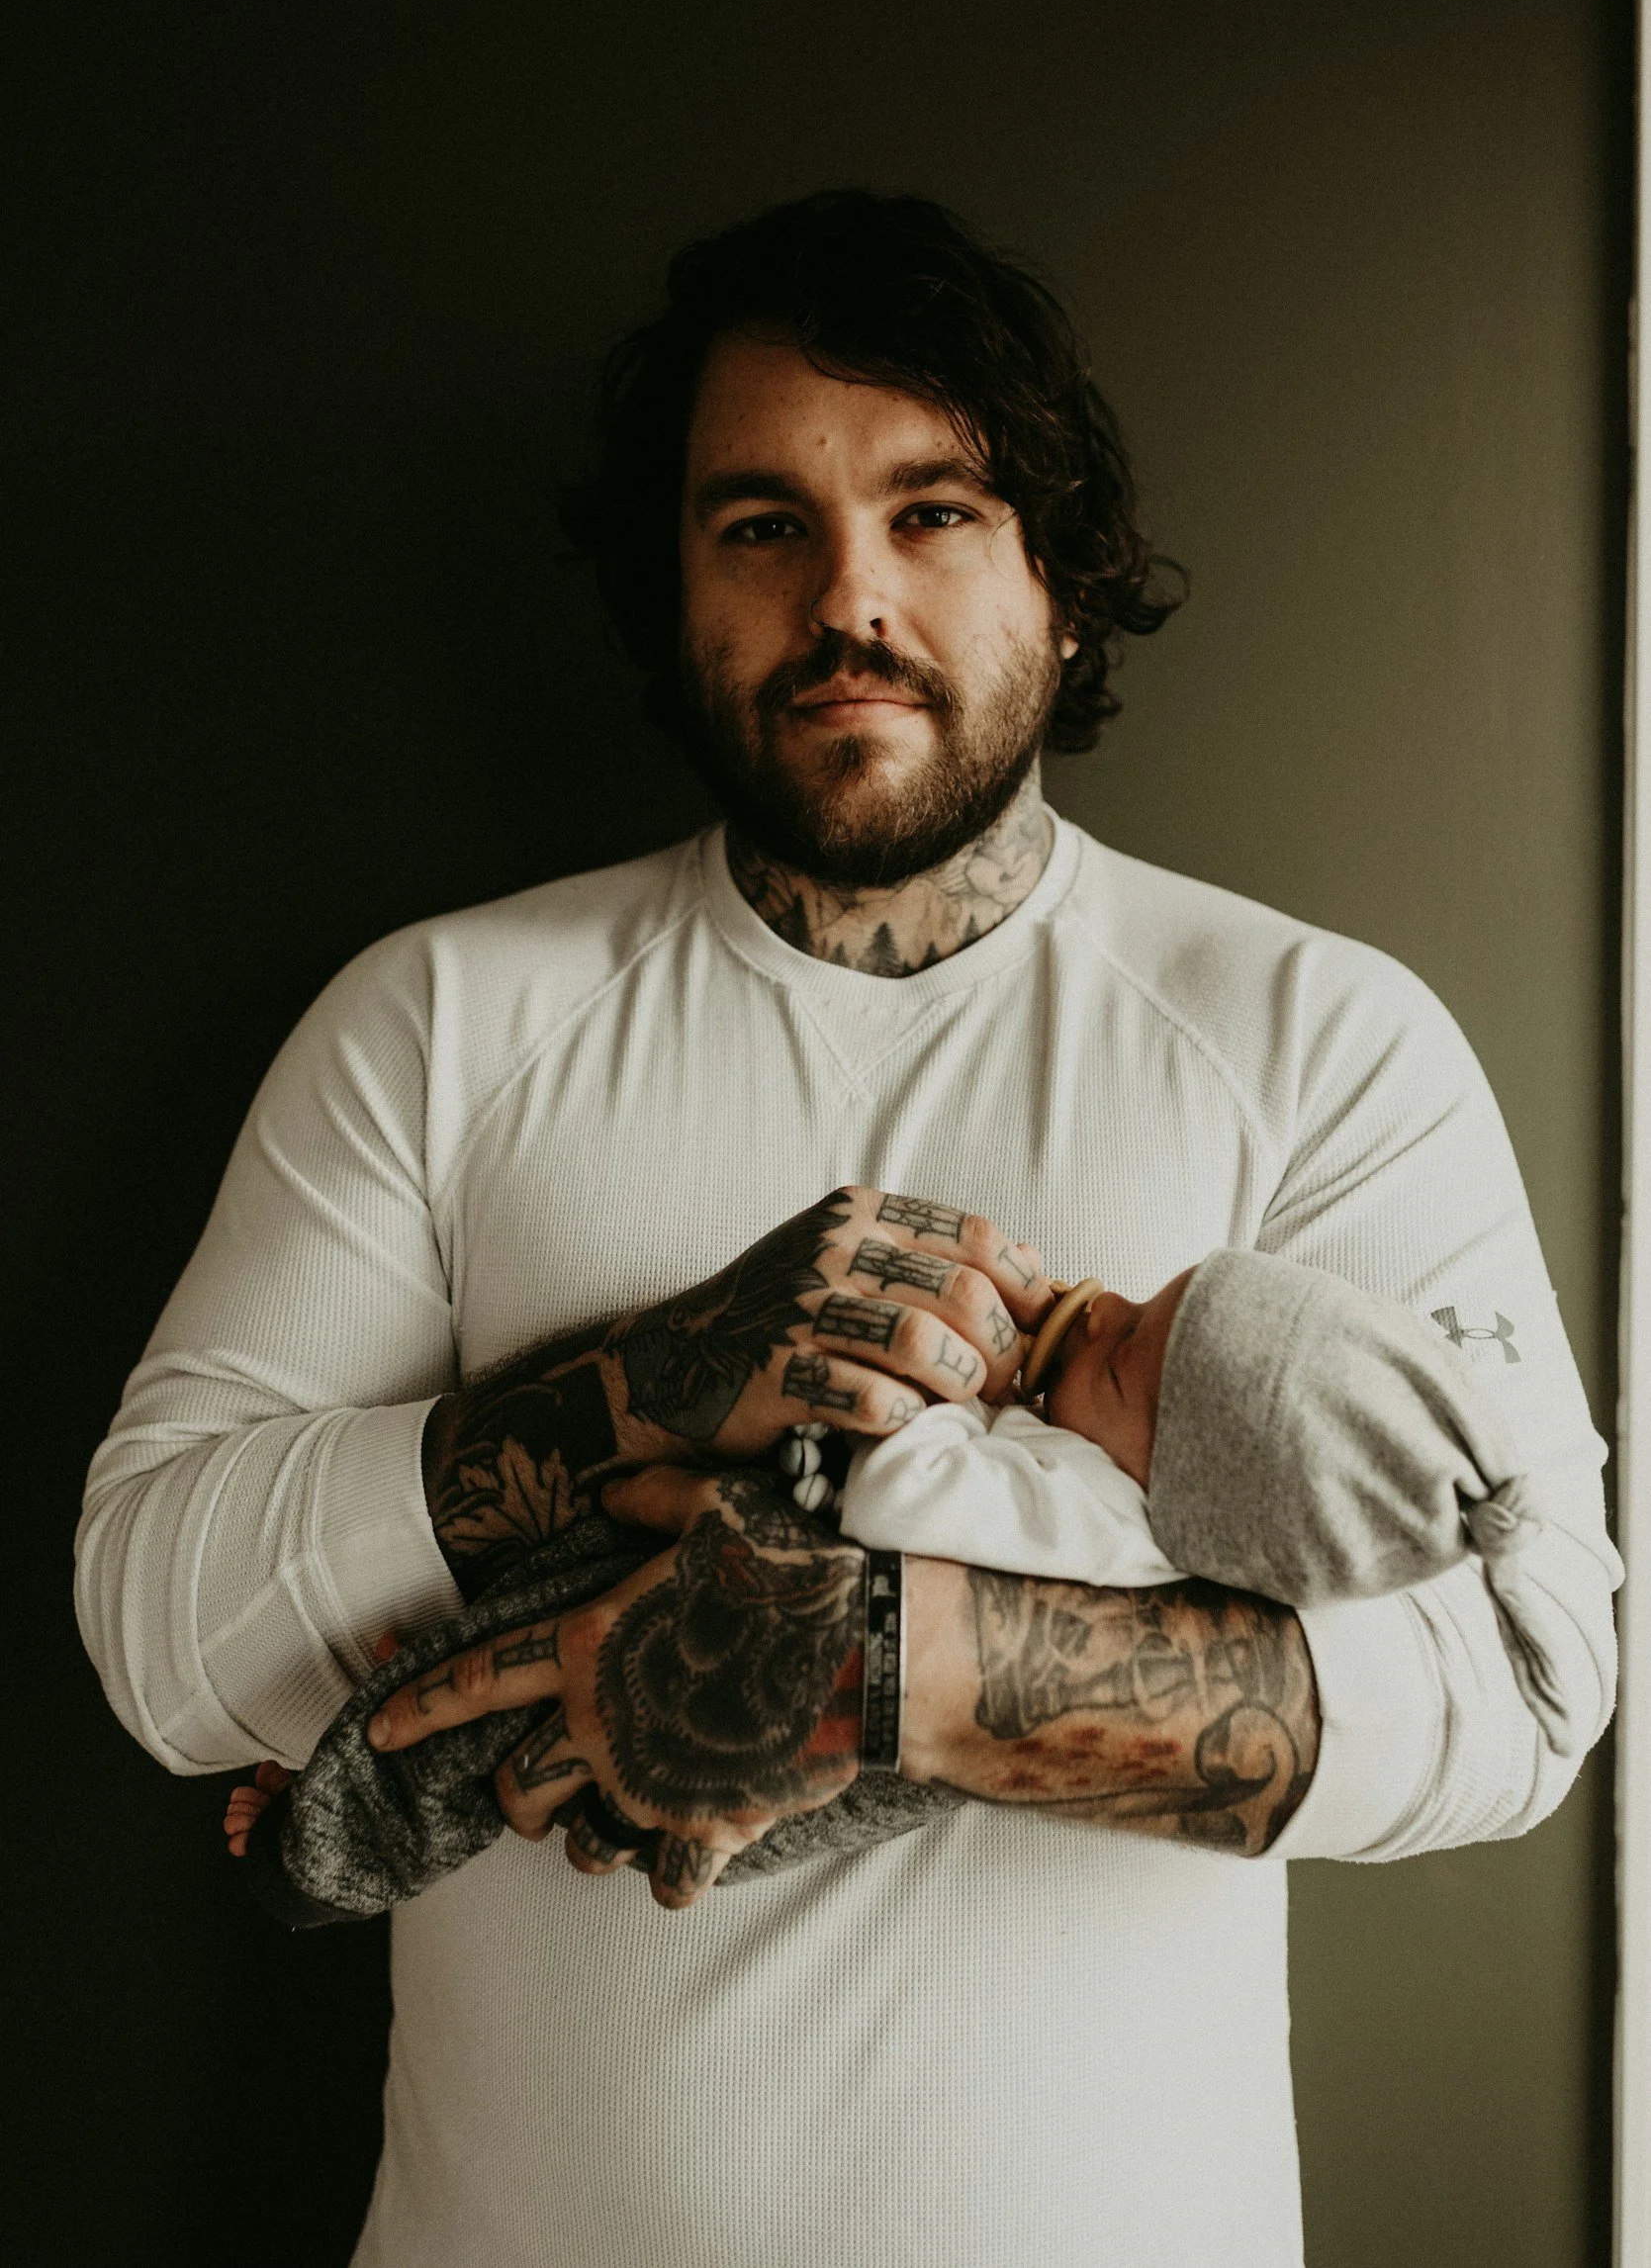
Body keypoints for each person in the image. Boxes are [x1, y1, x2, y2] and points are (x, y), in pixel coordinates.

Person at [77, 190, 1620, 2268]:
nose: (850, 597)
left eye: (936, 511)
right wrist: (636, 1386)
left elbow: (1525, 1673)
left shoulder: (1317, 1037)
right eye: (761, 525)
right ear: (675, 589)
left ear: (1059, 582)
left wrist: (889, 1676)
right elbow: (157, 1636)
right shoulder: (441, 1024)